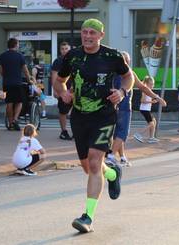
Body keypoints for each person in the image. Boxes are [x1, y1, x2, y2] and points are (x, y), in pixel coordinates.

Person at [53, 18, 134, 233]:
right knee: (87, 167)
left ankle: (87, 217)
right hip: (79, 116)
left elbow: (128, 77)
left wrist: (122, 92)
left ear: (100, 35)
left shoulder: (112, 56)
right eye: (84, 32)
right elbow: (59, 80)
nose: (88, 36)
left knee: (95, 162)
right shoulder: (73, 56)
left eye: (92, 33)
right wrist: (63, 93)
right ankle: (113, 174)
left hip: (105, 115)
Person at [106, 51, 166, 167]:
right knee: (122, 133)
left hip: (112, 107)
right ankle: (111, 156)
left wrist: (157, 97)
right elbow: (143, 88)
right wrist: (158, 98)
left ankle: (122, 158)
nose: (126, 63)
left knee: (118, 134)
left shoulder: (111, 73)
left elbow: (143, 87)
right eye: (125, 60)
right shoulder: (130, 74)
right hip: (123, 108)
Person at [0, 38, 31, 131]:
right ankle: (15, 119)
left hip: (7, 83)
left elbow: (1, 70)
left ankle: (10, 122)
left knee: (9, 102)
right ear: (16, 45)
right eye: (18, 44)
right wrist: (29, 80)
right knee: (19, 102)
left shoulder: (2, 56)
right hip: (17, 82)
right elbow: (25, 70)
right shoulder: (19, 56)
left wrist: (6, 76)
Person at [51, 42, 73, 140]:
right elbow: (54, 76)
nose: (64, 50)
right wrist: (56, 90)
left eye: (66, 48)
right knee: (63, 112)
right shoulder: (58, 61)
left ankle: (76, 132)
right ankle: (63, 131)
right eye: (62, 49)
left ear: (70, 49)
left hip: (74, 90)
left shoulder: (74, 60)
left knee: (76, 112)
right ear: (60, 50)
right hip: (63, 91)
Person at [133, 76, 160, 143]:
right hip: (144, 109)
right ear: (147, 84)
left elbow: (149, 99)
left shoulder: (149, 91)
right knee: (151, 124)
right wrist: (151, 101)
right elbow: (142, 101)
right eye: (151, 84)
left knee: (154, 121)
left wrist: (153, 99)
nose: (152, 85)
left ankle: (151, 137)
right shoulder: (145, 91)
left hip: (147, 109)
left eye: (153, 84)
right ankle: (138, 134)